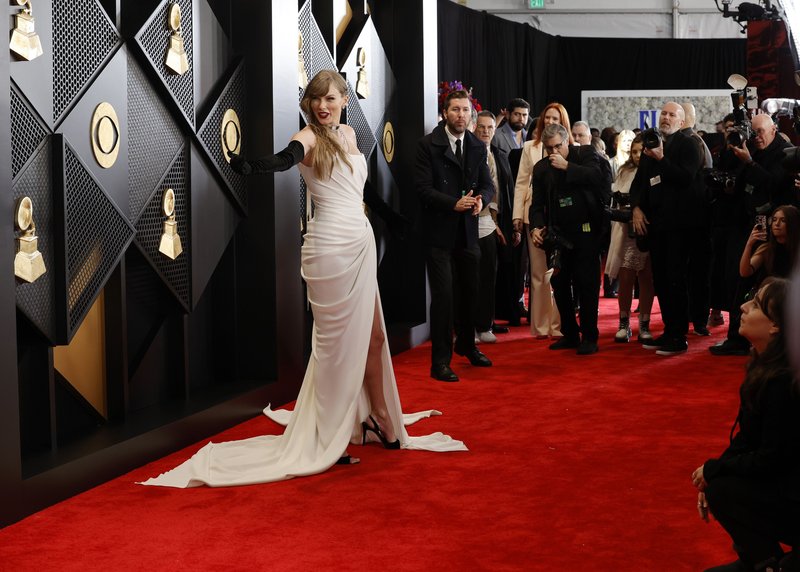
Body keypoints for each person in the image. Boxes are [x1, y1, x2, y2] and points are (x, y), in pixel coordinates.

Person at [140, 70, 466, 488]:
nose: (322, 106)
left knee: (374, 339)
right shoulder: (309, 137)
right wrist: (254, 166)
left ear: (344, 99)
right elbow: (286, 158)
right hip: (329, 250)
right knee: (335, 349)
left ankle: (379, 420)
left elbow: (359, 190)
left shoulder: (348, 134)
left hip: (360, 245)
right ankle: (331, 434)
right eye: (316, 100)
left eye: (330, 98)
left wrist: (390, 217)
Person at [692, 277, 800, 572]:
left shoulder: (784, 381)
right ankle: (761, 560)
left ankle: (769, 564)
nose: (742, 306)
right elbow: (747, 440)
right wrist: (712, 472)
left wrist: (716, 471)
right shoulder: (765, 367)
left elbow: (771, 460)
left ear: (776, 325)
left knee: (724, 490)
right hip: (786, 486)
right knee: (721, 486)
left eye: (754, 305)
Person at [415, 89, 494, 382]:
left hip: (468, 233)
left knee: (471, 292)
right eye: (456, 110)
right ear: (445, 113)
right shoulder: (427, 146)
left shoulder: (476, 145)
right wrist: (453, 204)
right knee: (444, 298)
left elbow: (488, 185)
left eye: (465, 110)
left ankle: (467, 346)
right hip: (438, 235)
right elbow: (422, 189)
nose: (461, 115)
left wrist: (481, 201)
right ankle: (440, 362)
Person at [529, 123, 611, 355]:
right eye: (549, 148)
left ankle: (590, 335)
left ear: (567, 142)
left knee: (587, 284)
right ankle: (570, 333)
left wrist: (568, 166)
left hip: (586, 231)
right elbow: (537, 204)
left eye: (558, 146)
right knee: (560, 285)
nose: (554, 152)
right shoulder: (541, 168)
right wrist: (536, 226)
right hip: (557, 234)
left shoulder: (584, 154)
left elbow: (597, 177)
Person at [630, 102, 704, 356]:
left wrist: (661, 158)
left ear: (682, 122)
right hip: (657, 226)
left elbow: (686, 178)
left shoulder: (689, 144)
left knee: (675, 279)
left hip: (681, 227)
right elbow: (638, 184)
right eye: (663, 113)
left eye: (672, 114)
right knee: (660, 280)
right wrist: (636, 207)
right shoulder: (651, 145)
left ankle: (678, 336)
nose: (666, 118)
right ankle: (669, 330)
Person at [512, 102, 573, 340]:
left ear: (563, 122)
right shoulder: (529, 147)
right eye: (547, 118)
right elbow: (520, 182)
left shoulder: (571, 146)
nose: (550, 122)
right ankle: (540, 326)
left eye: (555, 118)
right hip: (532, 214)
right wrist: (517, 215)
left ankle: (558, 326)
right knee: (537, 274)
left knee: (558, 272)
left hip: (561, 216)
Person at [605, 135, 655, 343]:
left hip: (648, 231)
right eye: (633, 151)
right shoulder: (623, 171)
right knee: (625, 277)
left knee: (646, 277)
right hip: (624, 232)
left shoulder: (655, 170)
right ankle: (623, 322)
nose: (636, 155)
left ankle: (644, 323)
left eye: (640, 151)